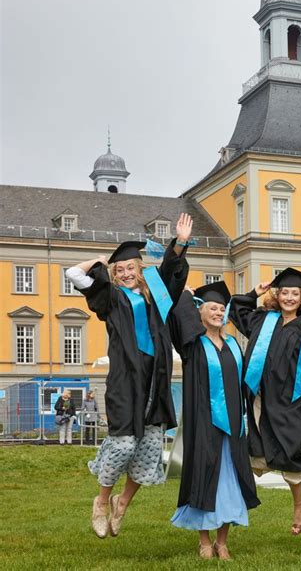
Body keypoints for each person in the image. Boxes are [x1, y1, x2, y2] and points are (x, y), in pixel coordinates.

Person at [66, 213, 192, 538]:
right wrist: (96, 260)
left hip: (155, 382)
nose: (125, 274)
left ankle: (123, 503)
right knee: (123, 446)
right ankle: (102, 501)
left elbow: (172, 271)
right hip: (125, 383)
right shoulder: (112, 298)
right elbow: (74, 275)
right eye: (119, 270)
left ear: (140, 270)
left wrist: (179, 242)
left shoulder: (158, 297)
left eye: (130, 269)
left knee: (149, 449)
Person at [170, 281, 259, 561]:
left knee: (230, 480)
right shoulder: (192, 344)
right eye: (212, 308)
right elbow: (177, 313)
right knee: (206, 476)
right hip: (204, 423)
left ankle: (222, 542)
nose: (219, 313)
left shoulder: (233, 344)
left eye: (222, 309)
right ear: (199, 312)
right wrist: (188, 294)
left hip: (233, 423)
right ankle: (204, 540)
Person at [229, 268, 301, 536]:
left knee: (292, 453)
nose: (289, 298)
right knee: (253, 453)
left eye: (295, 293)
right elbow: (236, 309)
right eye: (284, 292)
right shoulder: (263, 320)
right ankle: (236, 505)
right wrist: (254, 292)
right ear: (276, 295)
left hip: (293, 400)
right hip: (261, 397)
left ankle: (299, 505)